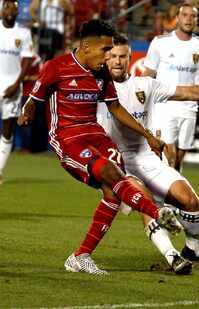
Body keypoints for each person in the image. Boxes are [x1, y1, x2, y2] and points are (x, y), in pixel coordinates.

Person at [18, 19, 183, 275]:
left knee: (113, 192)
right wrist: (27, 111)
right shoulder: (57, 67)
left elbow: (115, 108)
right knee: (110, 173)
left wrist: (147, 134)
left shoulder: (101, 73)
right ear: (86, 46)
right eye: (105, 50)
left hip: (95, 134)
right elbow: (34, 98)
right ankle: (156, 211)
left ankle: (80, 256)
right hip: (67, 138)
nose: (109, 57)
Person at [98, 34, 199, 274]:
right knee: (146, 203)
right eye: (112, 56)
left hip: (149, 158)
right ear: (105, 59)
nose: (117, 61)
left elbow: (188, 92)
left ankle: (193, 249)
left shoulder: (146, 85)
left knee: (190, 201)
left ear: (131, 58)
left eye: (122, 56)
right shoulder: (95, 90)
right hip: (118, 163)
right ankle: (172, 256)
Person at [144, 3, 199, 172]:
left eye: (192, 16)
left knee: (178, 159)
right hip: (165, 105)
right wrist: (139, 97)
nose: (188, 19)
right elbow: (148, 73)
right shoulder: (160, 42)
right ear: (177, 18)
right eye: (184, 15)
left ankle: (174, 191)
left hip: (190, 107)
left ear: (196, 21)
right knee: (169, 156)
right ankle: (166, 194)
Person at [0, 0, 33, 185]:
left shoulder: (23, 33)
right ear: (2, 10)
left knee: (7, 130)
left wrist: (16, 84)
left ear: (17, 11)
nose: (10, 12)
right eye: (7, 8)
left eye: (14, 9)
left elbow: (27, 61)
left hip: (12, 87)